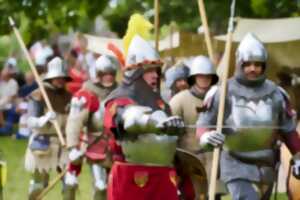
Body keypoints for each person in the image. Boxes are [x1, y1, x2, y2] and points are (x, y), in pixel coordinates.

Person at [197, 33, 300, 199]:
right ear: (239, 63)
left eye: (258, 64)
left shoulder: (276, 93)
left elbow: (289, 131)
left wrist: (298, 158)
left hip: (266, 165)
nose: (253, 68)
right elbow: (203, 123)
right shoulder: (222, 92)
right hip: (235, 164)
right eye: (248, 64)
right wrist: (206, 136)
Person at [103, 34, 185, 200]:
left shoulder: (161, 103)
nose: (155, 75)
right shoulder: (118, 100)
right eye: (149, 70)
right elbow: (127, 119)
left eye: (156, 70)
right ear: (135, 72)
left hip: (164, 174)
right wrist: (155, 123)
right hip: (131, 176)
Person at [64, 54, 119, 200]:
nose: (108, 77)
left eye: (111, 74)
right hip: (96, 146)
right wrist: (72, 147)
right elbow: (74, 121)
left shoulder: (120, 92)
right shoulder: (88, 93)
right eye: (104, 74)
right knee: (101, 186)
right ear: (98, 74)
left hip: (118, 147)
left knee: (117, 189)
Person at [24, 57, 72, 200]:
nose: (60, 80)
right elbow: (30, 122)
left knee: (70, 184)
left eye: (62, 77)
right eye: (57, 77)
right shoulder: (39, 94)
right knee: (38, 186)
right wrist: (44, 119)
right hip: (43, 143)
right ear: (51, 77)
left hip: (63, 143)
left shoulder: (69, 97)